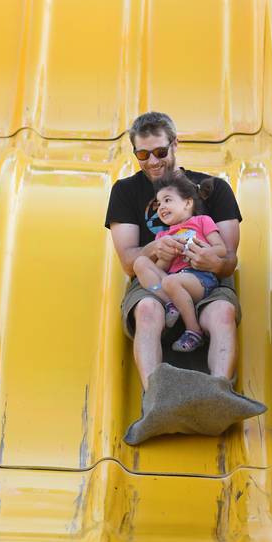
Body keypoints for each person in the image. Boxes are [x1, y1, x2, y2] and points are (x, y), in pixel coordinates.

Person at [104, 111, 242, 390]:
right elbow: (129, 263)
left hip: (206, 280)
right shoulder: (125, 191)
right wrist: (156, 247)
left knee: (222, 313)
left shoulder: (213, 189)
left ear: (175, 144)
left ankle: (219, 392)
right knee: (146, 310)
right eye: (143, 155)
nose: (152, 162)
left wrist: (210, 261)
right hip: (154, 283)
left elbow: (229, 260)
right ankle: (154, 395)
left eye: (159, 151)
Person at [132, 172, 226, 353]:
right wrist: (166, 257)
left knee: (170, 281)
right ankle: (171, 303)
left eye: (167, 200)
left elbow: (221, 250)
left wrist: (203, 251)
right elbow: (160, 270)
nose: (161, 207)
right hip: (173, 283)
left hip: (200, 278)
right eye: (158, 204)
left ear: (187, 203)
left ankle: (194, 331)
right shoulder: (162, 236)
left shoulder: (201, 222)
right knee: (141, 263)